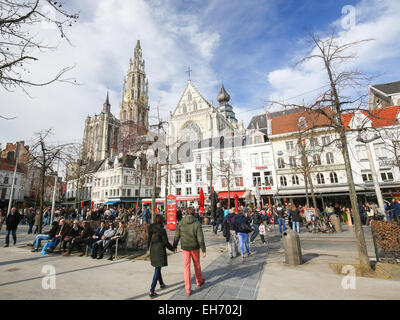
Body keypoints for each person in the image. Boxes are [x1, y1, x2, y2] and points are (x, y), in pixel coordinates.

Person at [173, 207, 206, 297]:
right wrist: (203, 249)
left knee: (186, 267)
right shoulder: (197, 223)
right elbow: (200, 238)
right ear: (194, 213)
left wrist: (174, 246)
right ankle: (199, 281)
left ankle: (188, 289)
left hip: (185, 247)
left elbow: (176, 236)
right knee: (197, 264)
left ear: (185, 213)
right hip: (195, 247)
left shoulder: (181, 223)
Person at [147, 214, 175, 298]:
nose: (164, 222)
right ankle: (152, 291)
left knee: (157, 267)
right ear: (161, 221)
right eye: (164, 221)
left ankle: (161, 284)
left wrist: (148, 249)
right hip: (159, 251)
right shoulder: (162, 230)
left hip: (153, 250)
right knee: (157, 269)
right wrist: (173, 249)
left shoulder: (150, 227)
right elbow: (165, 242)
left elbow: (148, 239)